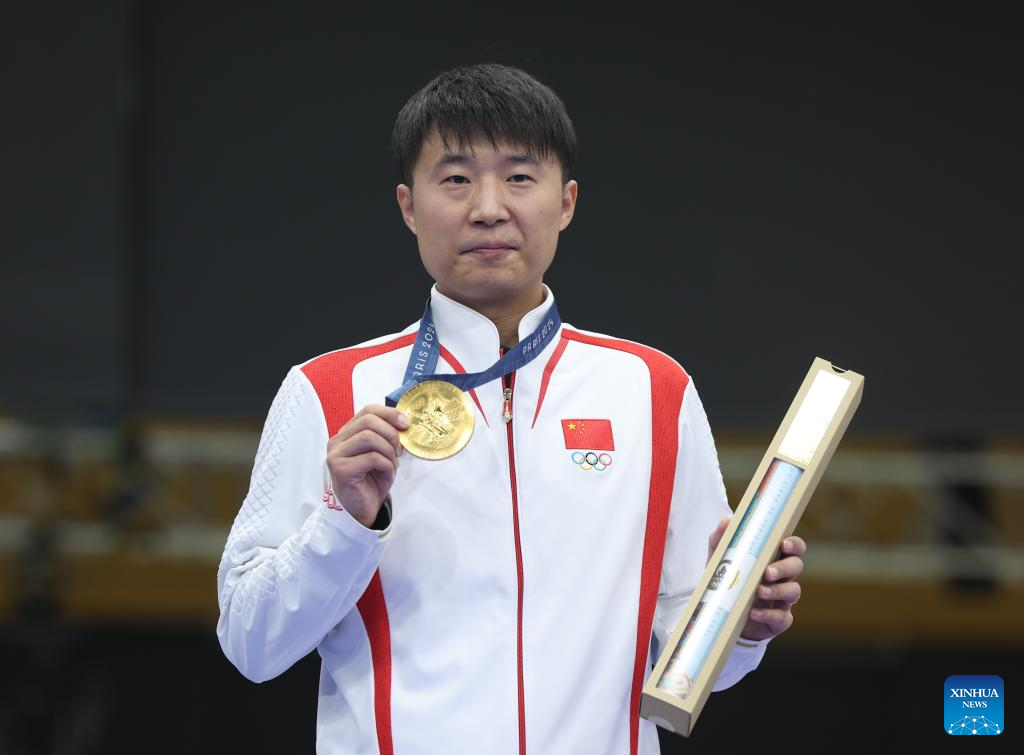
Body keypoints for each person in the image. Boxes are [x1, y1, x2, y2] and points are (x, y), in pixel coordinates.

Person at [216, 63, 806, 755]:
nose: (489, 207)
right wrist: (345, 522)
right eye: (457, 178)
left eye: (520, 177)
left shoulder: (653, 390)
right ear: (409, 206)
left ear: (567, 202)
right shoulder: (329, 390)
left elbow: (691, 665)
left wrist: (738, 626)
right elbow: (251, 643)